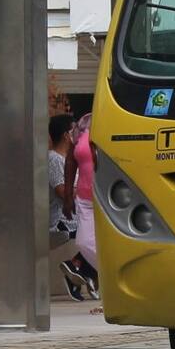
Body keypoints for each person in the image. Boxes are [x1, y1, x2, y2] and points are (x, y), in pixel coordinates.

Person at [48, 114, 93, 301]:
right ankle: (77, 267)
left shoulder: (72, 157)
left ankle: (78, 269)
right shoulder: (53, 159)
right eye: (75, 130)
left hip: (77, 216)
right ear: (67, 135)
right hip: (62, 221)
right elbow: (61, 190)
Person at [62, 114, 99, 277]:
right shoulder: (83, 124)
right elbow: (70, 161)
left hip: (108, 200)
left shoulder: (115, 124)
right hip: (85, 200)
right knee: (83, 242)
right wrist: (68, 195)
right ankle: (114, 276)